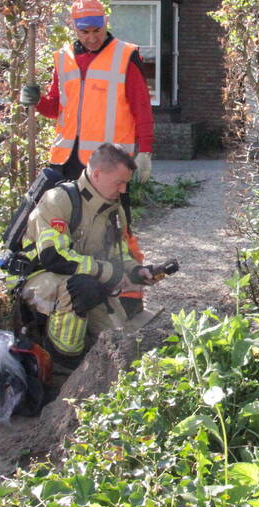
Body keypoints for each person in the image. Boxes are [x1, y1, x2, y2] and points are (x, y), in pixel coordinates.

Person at [20, 0, 156, 314]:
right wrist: (37, 100)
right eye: (85, 31)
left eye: (97, 29)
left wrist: (145, 151)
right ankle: (71, 294)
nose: (92, 37)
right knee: (64, 229)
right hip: (68, 161)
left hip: (108, 165)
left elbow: (142, 109)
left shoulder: (125, 56)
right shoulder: (63, 58)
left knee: (117, 232)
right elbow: (56, 107)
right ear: (75, 29)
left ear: (105, 24)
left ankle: (130, 298)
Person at [17, 144, 156, 370]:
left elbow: (118, 253)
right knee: (81, 288)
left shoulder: (113, 210)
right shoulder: (58, 200)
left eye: (126, 184)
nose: (123, 190)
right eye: (119, 183)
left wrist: (135, 271)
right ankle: (64, 359)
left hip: (87, 278)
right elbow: (54, 256)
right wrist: (107, 272)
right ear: (97, 174)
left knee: (120, 342)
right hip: (40, 278)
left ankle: (88, 353)